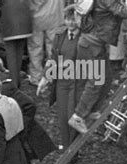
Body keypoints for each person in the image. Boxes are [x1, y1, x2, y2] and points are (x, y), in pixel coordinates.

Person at [68, 0, 127, 134]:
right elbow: (122, 12)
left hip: (95, 44)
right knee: (96, 82)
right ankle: (78, 116)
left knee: (106, 78)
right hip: (92, 44)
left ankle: (92, 110)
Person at [37, 6, 86, 150]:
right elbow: (53, 58)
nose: (71, 23)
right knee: (63, 116)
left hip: (77, 82)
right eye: (68, 20)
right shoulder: (60, 35)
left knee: (73, 116)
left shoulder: (85, 37)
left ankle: (73, 150)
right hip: (62, 82)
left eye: (74, 20)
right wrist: (45, 78)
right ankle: (67, 147)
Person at [0, 0, 33, 87]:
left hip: (9, 21)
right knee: (19, 53)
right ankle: (17, 79)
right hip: (26, 20)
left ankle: (14, 83)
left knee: (11, 55)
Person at [27, 0, 65, 87]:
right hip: (54, 16)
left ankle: (36, 77)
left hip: (35, 18)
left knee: (35, 48)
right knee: (53, 48)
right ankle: (51, 75)